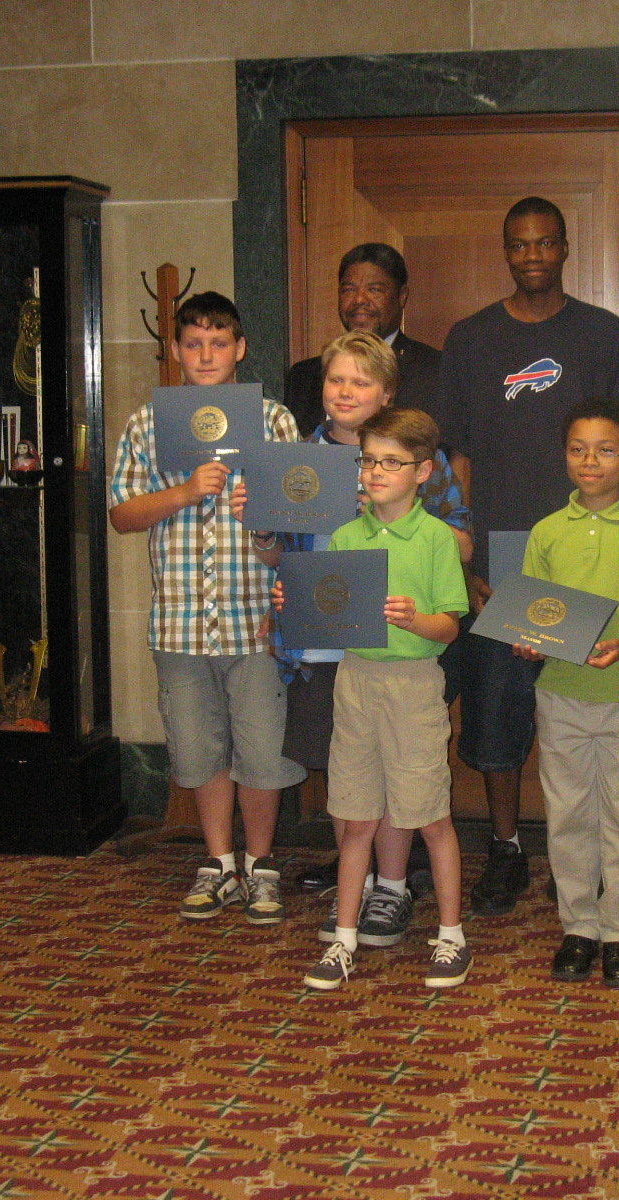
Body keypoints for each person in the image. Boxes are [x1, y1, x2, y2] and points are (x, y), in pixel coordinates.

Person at [436, 195, 619, 917]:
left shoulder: (601, 333)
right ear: (506, 250)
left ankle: (578, 853)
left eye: (546, 243)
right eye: (519, 244)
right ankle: (505, 848)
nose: (532, 256)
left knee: (579, 707)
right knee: (497, 711)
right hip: (498, 557)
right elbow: (456, 457)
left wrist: (617, 552)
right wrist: (465, 558)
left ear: (564, 249)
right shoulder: (471, 338)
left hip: (580, 552)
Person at [236, 329, 471, 948]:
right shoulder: (297, 457)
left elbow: (459, 543)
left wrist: (398, 524)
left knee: (400, 780)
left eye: (361, 381)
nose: (345, 391)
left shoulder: (418, 456)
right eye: (335, 379)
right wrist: (263, 529)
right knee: (351, 785)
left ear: (387, 392)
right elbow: (279, 555)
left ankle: (390, 890)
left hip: (397, 648)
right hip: (323, 647)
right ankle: (357, 889)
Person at [108, 291, 306, 927]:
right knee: (198, 751)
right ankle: (219, 862)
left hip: (257, 620)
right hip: (181, 621)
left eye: (219, 343)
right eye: (193, 343)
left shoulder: (274, 422)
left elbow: (300, 526)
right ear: (175, 350)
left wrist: (267, 525)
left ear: (240, 348)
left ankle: (261, 865)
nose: (205, 355)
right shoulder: (147, 423)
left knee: (263, 751)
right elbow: (121, 514)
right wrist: (186, 491)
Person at [280, 407, 472, 991]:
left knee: (430, 816)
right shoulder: (346, 535)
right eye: (368, 461)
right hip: (355, 681)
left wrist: (416, 619)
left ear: (423, 472)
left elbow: (450, 627)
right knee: (356, 814)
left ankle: (451, 935)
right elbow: (330, 611)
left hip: (413, 686)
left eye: (392, 462)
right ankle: (343, 939)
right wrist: (298, 601)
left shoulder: (436, 539)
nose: (376, 472)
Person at [514, 397, 619, 988]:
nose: (591, 462)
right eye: (578, 450)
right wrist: (530, 643)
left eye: (606, 450)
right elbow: (534, 614)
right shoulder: (546, 531)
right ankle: (579, 928)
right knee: (567, 817)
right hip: (561, 694)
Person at [283, 243, 441, 437]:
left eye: (374, 290)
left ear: (402, 296)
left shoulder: (436, 371)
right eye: (349, 290)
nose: (359, 300)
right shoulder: (303, 376)